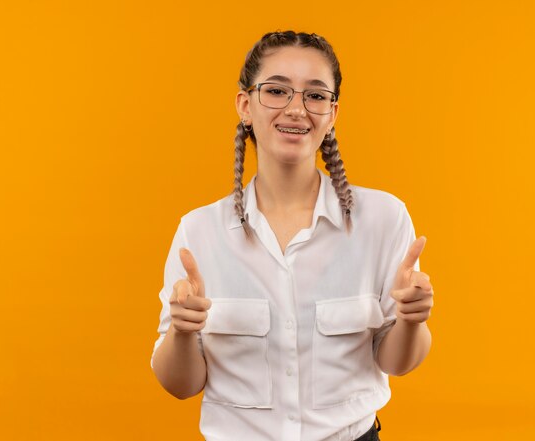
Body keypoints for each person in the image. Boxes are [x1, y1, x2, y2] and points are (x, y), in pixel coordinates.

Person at [151, 30, 434, 441]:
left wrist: (411, 320)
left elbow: (397, 363)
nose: (297, 109)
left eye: (315, 96)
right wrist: (182, 330)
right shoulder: (199, 232)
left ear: (332, 114)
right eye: (277, 90)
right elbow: (180, 385)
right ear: (245, 106)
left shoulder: (384, 219)